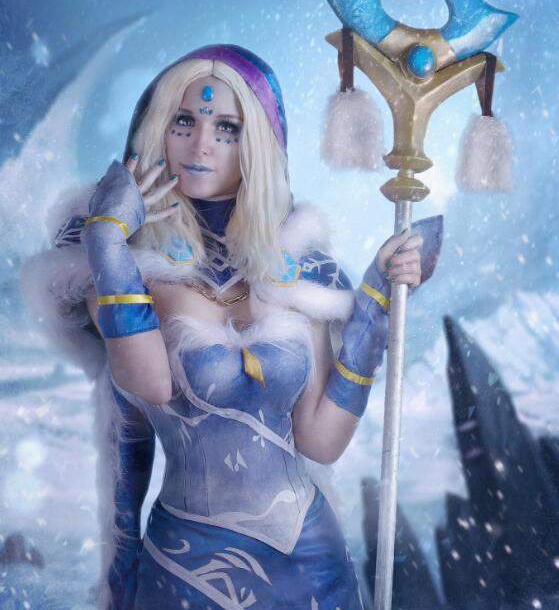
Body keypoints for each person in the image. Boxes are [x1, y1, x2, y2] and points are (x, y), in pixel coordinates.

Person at [23, 44, 442, 610]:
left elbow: (321, 440)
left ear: (258, 145)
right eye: (184, 121)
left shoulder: (305, 269)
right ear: (157, 131)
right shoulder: (124, 266)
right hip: (188, 567)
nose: (202, 145)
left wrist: (374, 304)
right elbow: (151, 384)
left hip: (314, 563)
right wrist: (106, 238)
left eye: (227, 128)